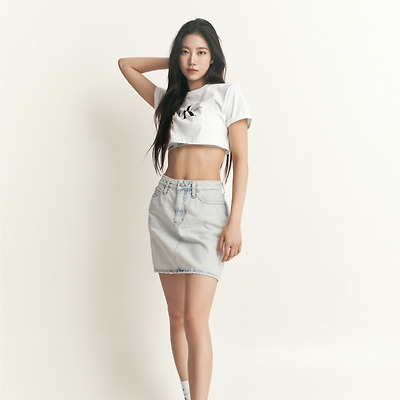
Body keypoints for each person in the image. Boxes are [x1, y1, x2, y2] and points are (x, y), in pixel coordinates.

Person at [118, 18, 252, 400]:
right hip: (165, 204)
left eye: (201, 52)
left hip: (207, 208)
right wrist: (173, 61)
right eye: (186, 52)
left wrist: (235, 221)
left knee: (195, 319)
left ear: (214, 57)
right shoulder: (169, 99)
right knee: (176, 316)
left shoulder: (227, 95)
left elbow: (242, 161)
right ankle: (187, 393)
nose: (193, 60)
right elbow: (126, 65)